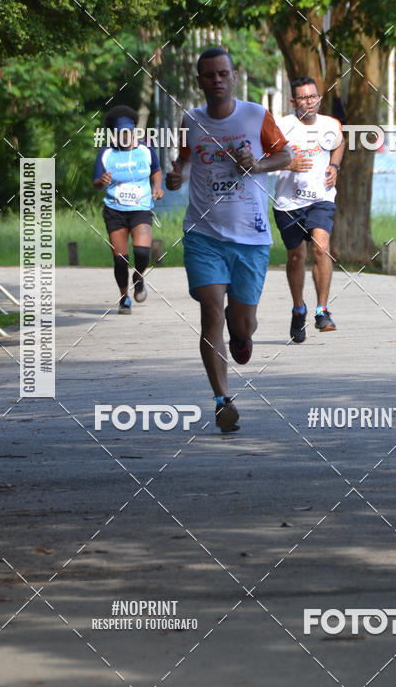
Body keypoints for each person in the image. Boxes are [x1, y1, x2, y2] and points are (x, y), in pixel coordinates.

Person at [165, 48, 292, 434]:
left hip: (251, 239)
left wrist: (257, 164)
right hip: (203, 235)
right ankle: (222, 400)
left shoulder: (255, 116)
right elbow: (186, 160)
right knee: (211, 312)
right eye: (209, 75)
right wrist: (178, 175)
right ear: (200, 81)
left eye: (223, 73)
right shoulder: (191, 120)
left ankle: (242, 337)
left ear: (233, 76)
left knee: (243, 323)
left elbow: (285, 155)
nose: (217, 80)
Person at [272, 77, 345, 343]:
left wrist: (334, 167)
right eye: (303, 98)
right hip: (288, 202)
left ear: (319, 98)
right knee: (295, 257)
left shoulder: (330, 124)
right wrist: (288, 165)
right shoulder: (280, 126)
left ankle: (322, 311)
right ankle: (298, 308)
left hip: (321, 197)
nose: (309, 102)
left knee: (320, 246)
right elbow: (262, 157)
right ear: (293, 102)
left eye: (313, 96)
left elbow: (339, 143)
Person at [93, 105, 163, 314]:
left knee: (142, 252)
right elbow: (96, 182)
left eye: (128, 133)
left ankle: (139, 276)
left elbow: (156, 170)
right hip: (115, 210)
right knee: (120, 259)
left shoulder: (146, 149)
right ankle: (124, 298)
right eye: (119, 133)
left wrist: (157, 187)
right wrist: (102, 181)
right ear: (114, 134)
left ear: (133, 132)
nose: (124, 136)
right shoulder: (106, 153)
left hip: (140, 208)